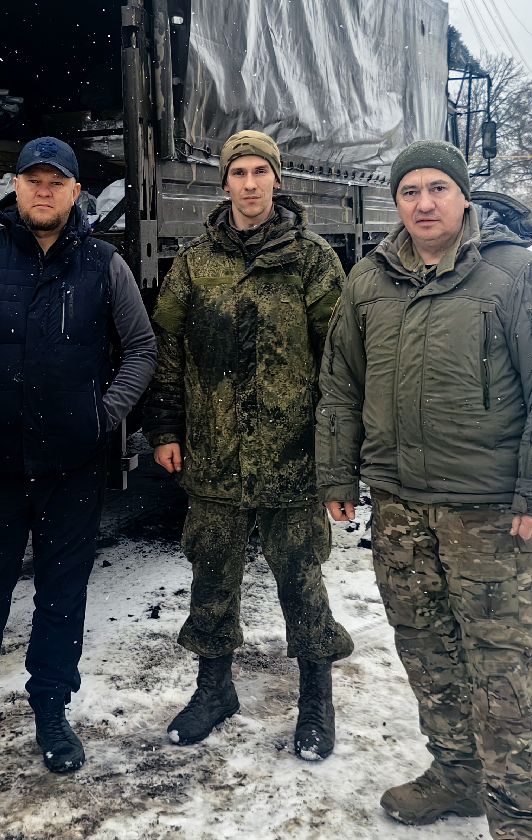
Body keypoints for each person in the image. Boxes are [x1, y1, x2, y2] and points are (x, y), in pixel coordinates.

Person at [316, 141, 532, 839]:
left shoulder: (518, 275)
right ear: (396, 202)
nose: (424, 203)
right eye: (410, 191)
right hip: (400, 506)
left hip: (487, 514)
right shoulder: (369, 281)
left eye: (438, 187)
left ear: (463, 195)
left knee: (499, 667)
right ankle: (457, 774)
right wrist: (338, 474)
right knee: (426, 649)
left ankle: (518, 819)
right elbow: (341, 385)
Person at [0, 136, 156, 795]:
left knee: (61, 597)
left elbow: (141, 349)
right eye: (33, 180)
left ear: (76, 192)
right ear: (15, 188)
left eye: (57, 181)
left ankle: (52, 715)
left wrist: (101, 416)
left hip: (70, 468)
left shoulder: (104, 265)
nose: (44, 191)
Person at [145, 130, 353, 759]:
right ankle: (214, 690)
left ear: (277, 180)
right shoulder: (195, 262)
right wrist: (166, 428)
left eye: (261, 171)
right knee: (211, 576)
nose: (250, 183)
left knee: (301, 578)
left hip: (292, 456)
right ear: (224, 182)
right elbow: (168, 351)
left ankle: (315, 699)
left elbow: (339, 363)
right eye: (239, 172)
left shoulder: (312, 260)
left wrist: (335, 453)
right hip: (215, 456)